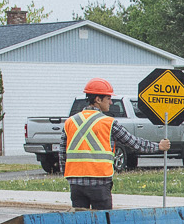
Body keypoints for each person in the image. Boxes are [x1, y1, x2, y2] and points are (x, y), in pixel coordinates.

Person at [62, 78, 171, 211]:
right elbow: (133, 142)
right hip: (99, 181)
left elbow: (63, 152)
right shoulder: (108, 122)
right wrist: (158, 147)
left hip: (75, 182)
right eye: (108, 98)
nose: (111, 102)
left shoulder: (70, 122)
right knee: (103, 221)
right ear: (98, 99)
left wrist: (66, 174)